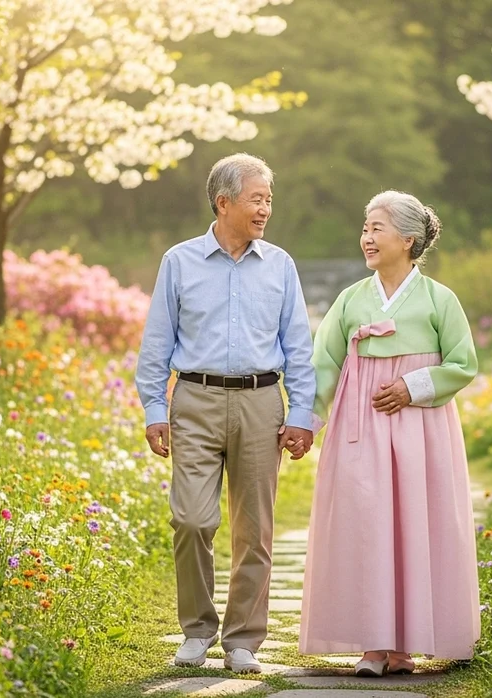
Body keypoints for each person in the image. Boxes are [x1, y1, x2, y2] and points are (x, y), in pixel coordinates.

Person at [136, 153, 317, 674]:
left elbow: (298, 347)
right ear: (224, 202)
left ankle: (243, 640)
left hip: (262, 402)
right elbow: (155, 345)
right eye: (256, 199)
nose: (265, 209)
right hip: (194, 399)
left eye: (268, 199)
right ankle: (196, 631)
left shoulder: (280, 265)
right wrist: (155, 407)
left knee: (254, 529)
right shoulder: (179, 261)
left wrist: (301, 413)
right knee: (192, 519)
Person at [299, 190, 481, 676]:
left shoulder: (441, 299)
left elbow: (463, 364)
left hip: (421, 430)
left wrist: (412, 386)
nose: (366, 237)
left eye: (377, 228)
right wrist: (306, 423)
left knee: (416, 523)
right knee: (366, 523)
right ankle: (373, 645)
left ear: (409, 239)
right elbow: (324, 365)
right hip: (361, 427)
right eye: (365, 228)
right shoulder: (350, 300)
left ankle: (406, 645)